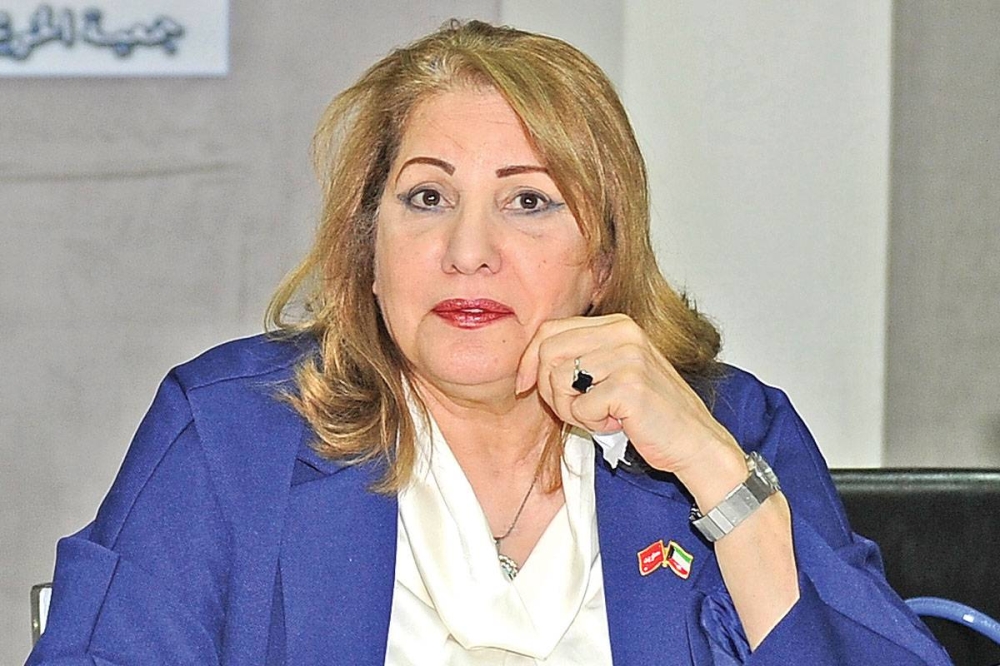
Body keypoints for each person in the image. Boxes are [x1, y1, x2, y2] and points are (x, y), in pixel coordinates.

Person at [27, 19, 951, 666]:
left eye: (529, 201)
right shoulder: (231, 436)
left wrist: (717, 474)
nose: (468, 251)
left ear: (602, 261)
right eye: (428, 198)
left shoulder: (732, 429)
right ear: (369, 249)